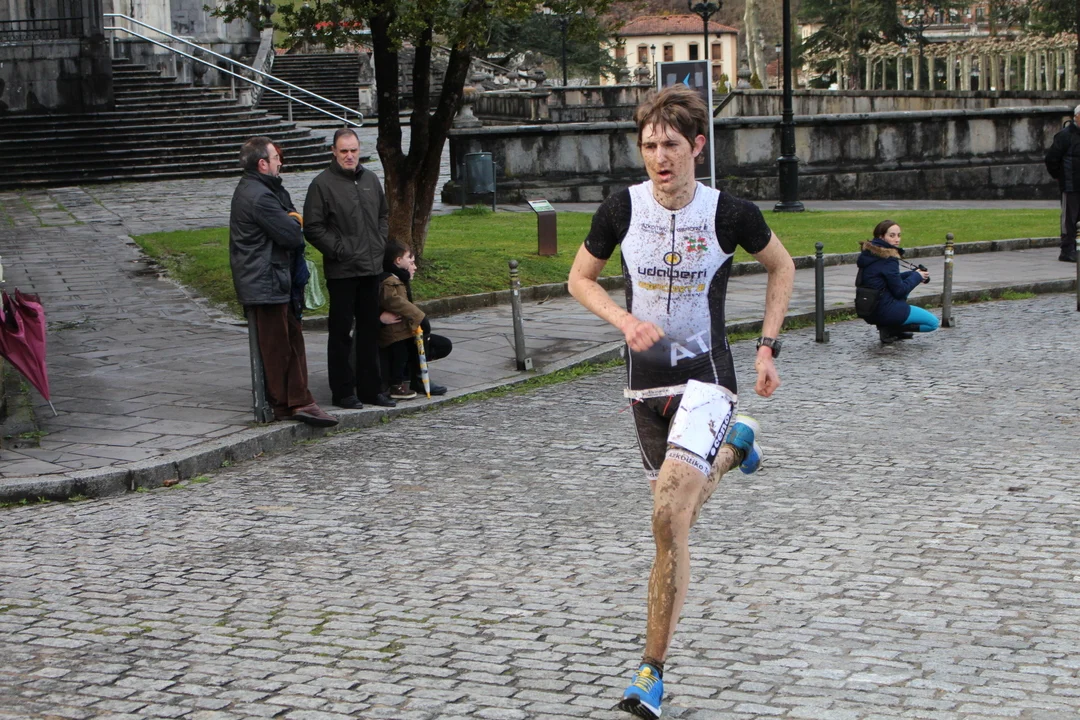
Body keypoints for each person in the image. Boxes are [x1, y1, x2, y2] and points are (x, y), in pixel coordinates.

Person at [567, 85, 795, 720]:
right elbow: (579, 278)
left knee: (668, 519)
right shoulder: (621, 209)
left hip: (706, 379)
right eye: (648, 146)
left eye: (670, 144)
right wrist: (623, 320)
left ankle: (650, 673)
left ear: (696, 146)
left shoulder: (731, 214)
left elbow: (782, 266)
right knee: (679, 515)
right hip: (645, 386)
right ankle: (735, 449)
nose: (658, 157)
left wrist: (767, 347)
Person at [228, 136, 338, 428]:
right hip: (265, 281)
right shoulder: (259, 196)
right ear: (262, 164)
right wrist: (294, 220)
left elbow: (290, 222)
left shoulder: (264, 189)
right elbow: (291, 234)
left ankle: (297, 401)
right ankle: (291, 402)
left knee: (290, 340)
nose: (280, 162)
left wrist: (291, 219)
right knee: (279, 345)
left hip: (273, 278)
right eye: (276, 158)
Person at [303, 127, 396, 410]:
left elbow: (383, 215)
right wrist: (340, 251)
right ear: (334, 151)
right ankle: (343, 391)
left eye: (353, 150)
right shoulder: (322, 184)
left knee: (369, 331)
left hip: (370, 268)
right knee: (341, 334)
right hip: (342, 271)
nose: (349, 156)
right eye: (343, 151)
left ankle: (370, 389)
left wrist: (379, 244)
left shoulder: (370, 179)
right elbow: (313, 227)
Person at [379, 241, 451, 398]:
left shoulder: (400, 279)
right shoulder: (390, 281)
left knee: (434, 344)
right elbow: (397, 303)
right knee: (401, 352)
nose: (415, 267)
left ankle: (413, 376)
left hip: (404, 329)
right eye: (410, 261)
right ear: (398, 260)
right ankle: (401, 383)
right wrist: (419, 317)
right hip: (394, 332)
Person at [856, 220, 939, 344]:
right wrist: (916, 276)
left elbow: (888, 279)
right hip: (885, 310)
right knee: (933, 323)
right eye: (892, 235)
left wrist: (913, 274)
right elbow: (899, 291)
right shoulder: (889, 259)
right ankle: (891, 328)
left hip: (869, 309)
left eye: (899, 235)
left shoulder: (869, 255)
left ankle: (890, 327)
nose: (897, 239)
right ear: (881, 237)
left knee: (908, 278)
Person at [1044, 104, 1080, 263]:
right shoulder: (1065, 136)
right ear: (1076, 117)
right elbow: (1052, 159)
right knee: (1069, 219)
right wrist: (1060, 177)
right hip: (1070, 185)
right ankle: (1067, 250)